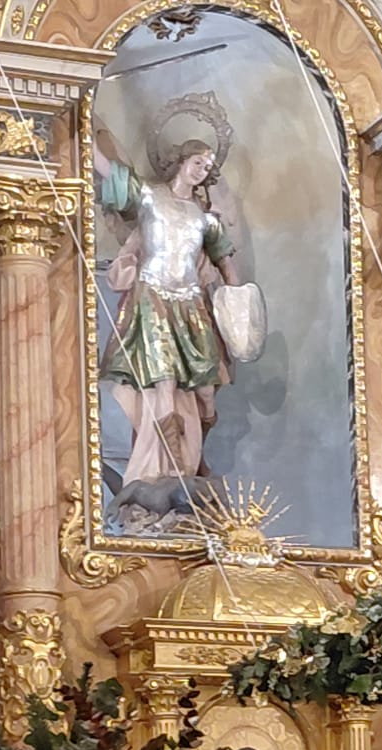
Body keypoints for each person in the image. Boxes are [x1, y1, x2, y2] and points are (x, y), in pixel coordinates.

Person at [92, 133, 242, 498]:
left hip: (191, 305)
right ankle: (170, 468)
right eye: (197, 164)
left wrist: (239, 302)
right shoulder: (150, 198)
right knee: (163, 383)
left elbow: (225, 262)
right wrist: (87, 138)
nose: (201, 172)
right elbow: (113, 175)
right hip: (153, 298)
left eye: (207, 168)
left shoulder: (206, 219)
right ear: (181, 161)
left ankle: (196, 456)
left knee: (206, 390)